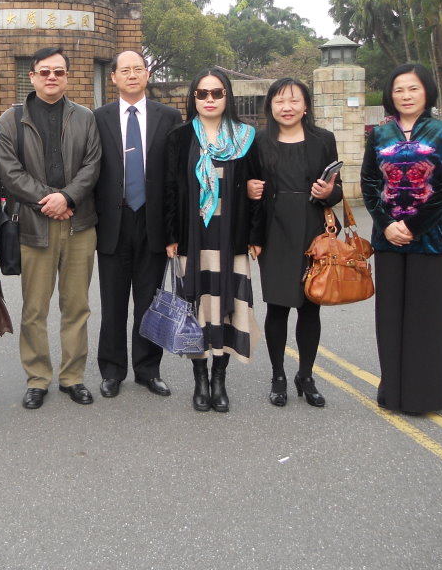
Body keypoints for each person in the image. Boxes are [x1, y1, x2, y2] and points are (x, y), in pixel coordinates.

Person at [0, 46, 101, 409]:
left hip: (79, 224)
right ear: (32, 76)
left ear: (67, 76)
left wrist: (68, 197)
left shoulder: (85, 117)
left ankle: (73, 377)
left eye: (58, 71)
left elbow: (93, 165)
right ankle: (38, 378)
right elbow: (10, 172)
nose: (51, 77)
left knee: (77, 307)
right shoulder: (11, 120)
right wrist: (49, 200)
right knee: (34, 309)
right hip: (33, 226)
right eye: (44, 72)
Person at [361, 64, 442, 414]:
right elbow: (369, 182)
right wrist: (387, 224)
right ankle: (392, 392)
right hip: (387, 239)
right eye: (399, 90)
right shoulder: (380, 134)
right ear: (390, 95)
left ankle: (423, 397)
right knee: (390, 318)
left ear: (427, 92)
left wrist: (414, 226)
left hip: (432, 238)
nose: (406, 96)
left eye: (413, 88)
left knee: (426, 320)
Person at [164, 68, 261, 413]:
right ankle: (200, 379)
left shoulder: (245, 137)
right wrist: (171, 236)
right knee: (199, 308)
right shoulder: (180, 138)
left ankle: (220, 379)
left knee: (226, 309)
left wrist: (255, 236)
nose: (209, 99)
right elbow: (170, 190)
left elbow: (257, 187)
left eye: (216, 93)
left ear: (227, 96)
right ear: (193, 98)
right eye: (202, 93)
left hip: (230, 237)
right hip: (193, 237)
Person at [246, 79, 342, 408]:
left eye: (293, 100)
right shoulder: (258, 141)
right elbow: (251, 190)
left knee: (310, 304)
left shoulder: (323, 140)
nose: (286, 107)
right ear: (270, 106)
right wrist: (253, 233)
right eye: (279, 101)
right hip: (274, 230)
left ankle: (306, 375)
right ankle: (278, 376)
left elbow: (338, 189)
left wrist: (329, 192)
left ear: (305, 106)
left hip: (313, 229)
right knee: (277, 306)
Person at [93, 51, 182, 399]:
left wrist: (174, 231)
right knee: (113, 303)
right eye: (125, 70)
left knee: (149, 301)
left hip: (152, 221)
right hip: (113, 222)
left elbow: (175, 177)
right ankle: (112, 370)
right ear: (113, 77)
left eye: (138, 69)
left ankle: (148, 370)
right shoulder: (98, 118)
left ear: (147, 74)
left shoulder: (168, 116)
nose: (132, 75)